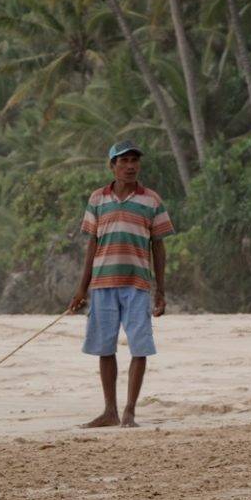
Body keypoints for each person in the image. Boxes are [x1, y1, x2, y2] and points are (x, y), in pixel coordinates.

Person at [67, 141, 173, 429]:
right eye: (123, 161)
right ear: (112, 166)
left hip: (137, 284)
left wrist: (160, 290)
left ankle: (130, 411)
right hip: (102, 283)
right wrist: (81, 289)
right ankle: (109, 411)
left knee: (139, 347)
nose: (130, 166)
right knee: (105, 347)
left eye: (134, 161)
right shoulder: (97, 199)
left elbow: (158, 247)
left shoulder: (151, 200)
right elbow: (92, 244)